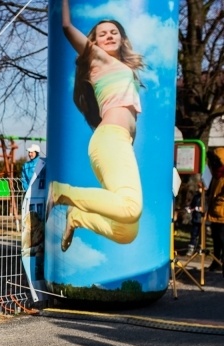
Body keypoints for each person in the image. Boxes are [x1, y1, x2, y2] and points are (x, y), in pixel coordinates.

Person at [47, 0, 145, 252]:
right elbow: (67, 27)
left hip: (118, 143)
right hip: (110, 139)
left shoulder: (123, 68)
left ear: (123, 39)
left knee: (127, 230)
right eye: (102, 34)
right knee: (131, 206)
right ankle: (61, 192)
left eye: (115, 32)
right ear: (95, 43)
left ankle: (77, 217)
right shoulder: (98, 60)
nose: (109, 35)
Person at [206, 147, 224, 273]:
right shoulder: (216, 176)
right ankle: (216, 261)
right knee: (216, 239)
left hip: (222, 213)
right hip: (214, 212)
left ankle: (220, 261)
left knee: (222, 239)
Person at [185, 180, 204, 256]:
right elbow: (192, 205)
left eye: (201, 187)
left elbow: (206, 207)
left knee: (202, 236)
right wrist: (190, 208)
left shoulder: (206, 197)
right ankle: (191, 249)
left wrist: (201, 209)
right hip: (196, 219)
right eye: (199, 187)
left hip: (203, 220)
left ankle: (201, 249)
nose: (199, 189)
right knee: (194, 234)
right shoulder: (196, 196)